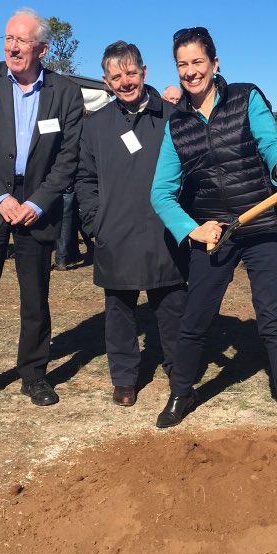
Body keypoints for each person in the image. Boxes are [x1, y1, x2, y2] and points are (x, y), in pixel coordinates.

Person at [151, 26, 277, 442]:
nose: (190, 71)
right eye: (182, 64)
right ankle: (180, 394)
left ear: (214, 64)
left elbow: (270, 142)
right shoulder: (177, 124)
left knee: (272, 317)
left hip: (264, 223)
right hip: (214, 230)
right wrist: (192, 229)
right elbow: (161, 193)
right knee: (194, 318)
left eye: (197, 62)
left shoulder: (245, 97)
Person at [0, 8, 84, 413]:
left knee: (35, 297)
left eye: (21, 41)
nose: (12, 47)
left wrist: (38, 201)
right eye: (8, 38)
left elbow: (68, 156)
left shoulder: (65, 91)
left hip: (36, 205)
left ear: (41, 48)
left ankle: (34, 374)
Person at [76, 41, 188, 406]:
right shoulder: (95, 126)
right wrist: (95, 223)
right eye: (116, 76)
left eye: (131, 72)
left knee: (171, 307)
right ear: (107, 82)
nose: (125, 81)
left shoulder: (173, 117)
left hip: (164, 232)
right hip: (116, 232)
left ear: (144, 72)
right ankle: (124, 377)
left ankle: (178, 370)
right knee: (119, 311)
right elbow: (85, 179)